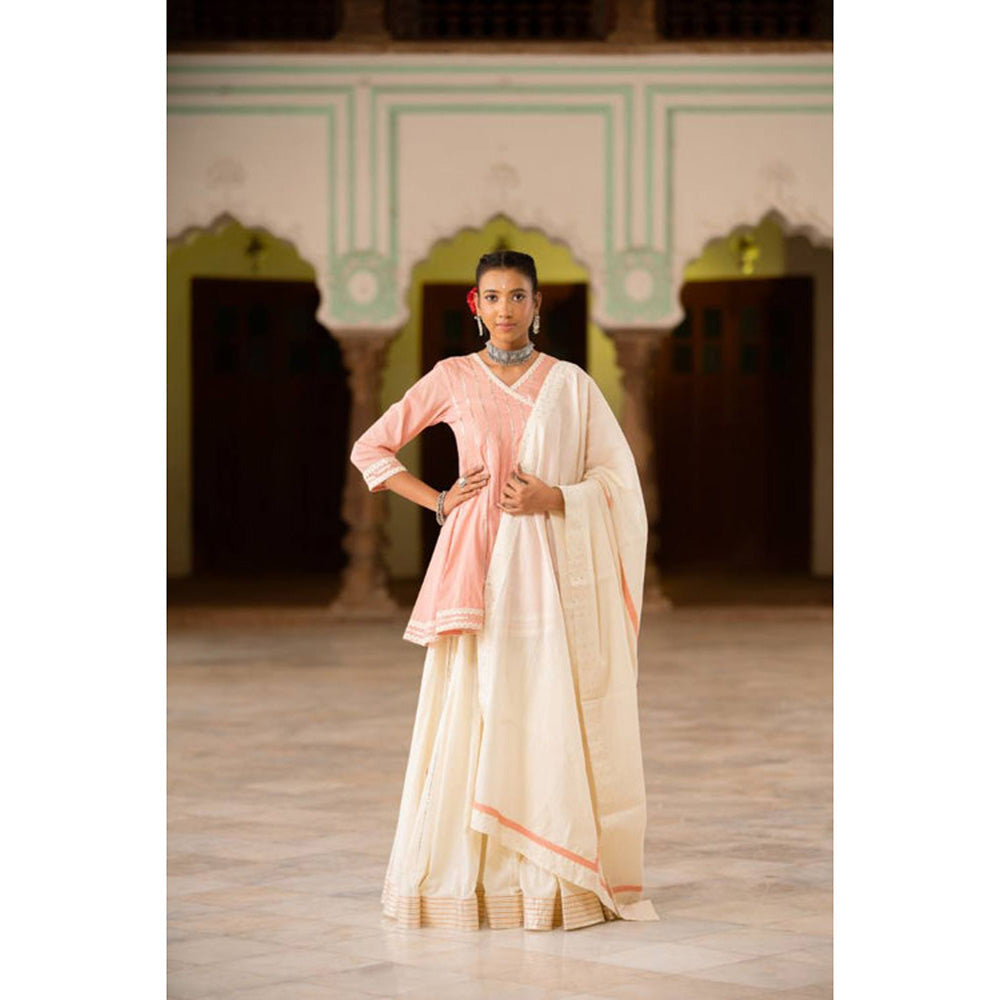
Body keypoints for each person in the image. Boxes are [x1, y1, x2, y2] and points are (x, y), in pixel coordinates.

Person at [350, 250, 657, 931]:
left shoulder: (570, 385)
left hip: (548, 569)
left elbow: (617, 481)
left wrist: (556, 497)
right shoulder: (453, 377)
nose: (506, 308)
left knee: (540, 704)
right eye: (493, 296)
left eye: (518, 295)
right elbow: (371, 448)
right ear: (476, 305)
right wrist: (438, 500)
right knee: (474, 709)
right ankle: (474, 880)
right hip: (475, 565)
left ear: (537, 304)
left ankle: (547, 877)